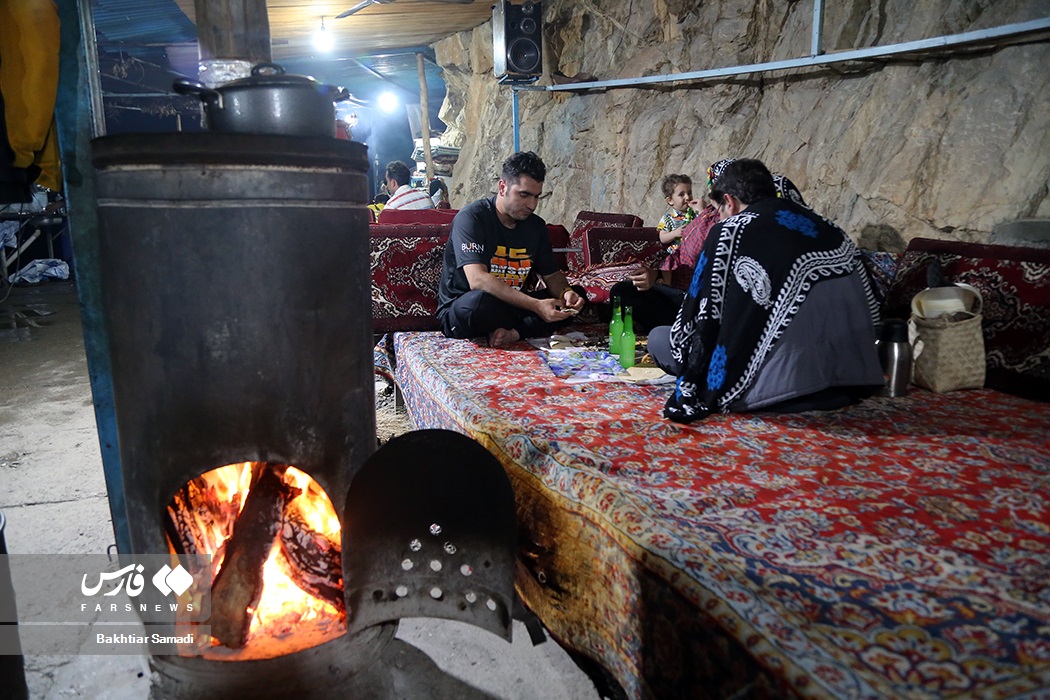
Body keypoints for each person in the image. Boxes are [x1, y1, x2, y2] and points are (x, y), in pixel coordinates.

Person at [649, 158, 884, 422]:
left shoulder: (730, 231)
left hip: (774, 390)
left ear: (730, 201)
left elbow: (697, 322)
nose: (721, 218)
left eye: (720, 210)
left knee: (659, 339)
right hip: (854, 380)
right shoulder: (829, 229)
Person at [437, 151, 585, 347]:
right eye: (524, 195)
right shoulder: (472, 218)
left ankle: (514, 333)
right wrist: (535, 306)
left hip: (513, 304)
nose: (532, 205)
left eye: (536, 197)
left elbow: (551, 276)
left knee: (578, 295)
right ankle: (526, 327)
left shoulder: (536, 227)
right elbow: (477, 280)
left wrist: (565, 293)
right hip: (468, 308)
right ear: (502, 187)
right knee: (478, 303)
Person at [655, 174, 696, 254]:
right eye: (681, 194)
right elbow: (662, 238)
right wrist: (675, 233)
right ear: (670, 200)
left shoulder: (696, 215)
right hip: (678, 256)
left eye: (689, 193)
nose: (687, 197)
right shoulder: (668, 219)